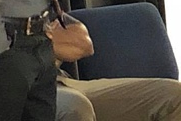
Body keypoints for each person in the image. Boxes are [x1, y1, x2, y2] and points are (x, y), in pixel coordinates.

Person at [48, 9, 181, 120]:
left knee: (173, 94)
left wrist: (41, 44)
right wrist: (50, 40)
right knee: (74, 106)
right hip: (37, 90)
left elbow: (83, 44)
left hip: (60, 80)